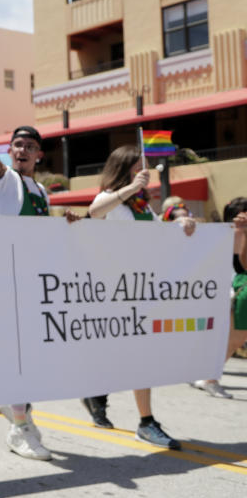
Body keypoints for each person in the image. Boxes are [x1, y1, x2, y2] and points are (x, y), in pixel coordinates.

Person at [0, 56, 81, 461]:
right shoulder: (1, 181)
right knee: (19, 358)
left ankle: (19, 414)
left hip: (34, 283)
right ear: (10, 152)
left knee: (32, 357)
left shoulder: (42, 193)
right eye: (19, 144)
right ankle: (19, 425)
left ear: (40, 155)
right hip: (5, 280)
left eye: (31, 145)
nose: (24, 149)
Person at [81, 144, 196, 449]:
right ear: (124, 169)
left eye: (144, 167)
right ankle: (140, 418)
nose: (144, 171)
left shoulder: (143, 207)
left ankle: (107, 398)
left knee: (138, 355)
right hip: (114, 293)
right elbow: (94, 211)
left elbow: (160, 236)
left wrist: (181, 225)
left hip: (143, 292)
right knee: (133, 355)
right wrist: (130, 188)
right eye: (137, 166)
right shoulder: (113, 200)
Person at [191, 197, 247, 398]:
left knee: (233, 338)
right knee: (234, 339)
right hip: (233, 291)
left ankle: (207, 376)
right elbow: (239, 266)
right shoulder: (230, 233)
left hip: (235, 290)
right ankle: (209, 378)